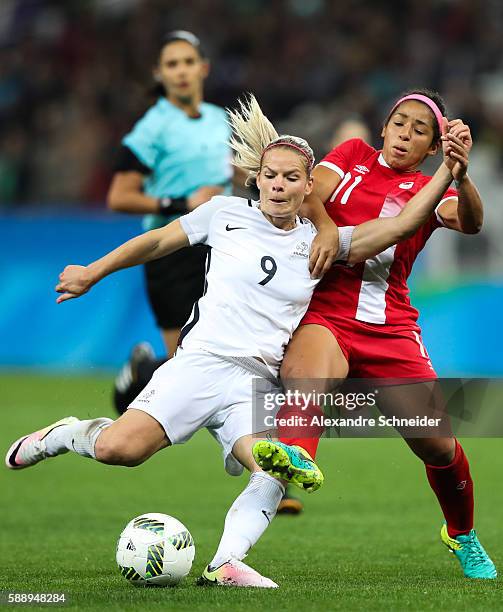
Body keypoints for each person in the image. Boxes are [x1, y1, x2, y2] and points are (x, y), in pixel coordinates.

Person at [5, 95, 463, 588]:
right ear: (258, 178)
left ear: (310, 187)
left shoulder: (324, 242)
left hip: (256, 381)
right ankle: (65, 434)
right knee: (122, 450)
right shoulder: (224, 213)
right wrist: (92, 272)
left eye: (292, 178)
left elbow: (400, 224)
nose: (279, 186)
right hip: (200, 363)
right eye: (271, 176)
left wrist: (449, 171)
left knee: (273, 467)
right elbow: (156, 241)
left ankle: (226, 561)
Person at [253, 89, 497, 580]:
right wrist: (324, 229)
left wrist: (462, 174)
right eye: (399, 122)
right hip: (328, 310)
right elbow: (311, 194)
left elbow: (469, 222)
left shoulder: (434, 187)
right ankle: (296, 459)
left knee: (439, 447)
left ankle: (462, 535)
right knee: (308, 376)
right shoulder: (352, 157)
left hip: (391, 329)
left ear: (433, 148)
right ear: (383, 128)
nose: (406, 133)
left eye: (420, 129)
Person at [107, 30, 233, 411]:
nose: (181, 71)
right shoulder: (151, 128)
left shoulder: (219, 120)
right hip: (170, 250)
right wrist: (181, 200)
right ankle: (143, 374)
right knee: (186, 366)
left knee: (225, 350)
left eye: (188, 62)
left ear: (204, 68)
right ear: (159, 73)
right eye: (172, 64)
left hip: (220, 246)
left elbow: (234, 173)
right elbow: (119, 196)